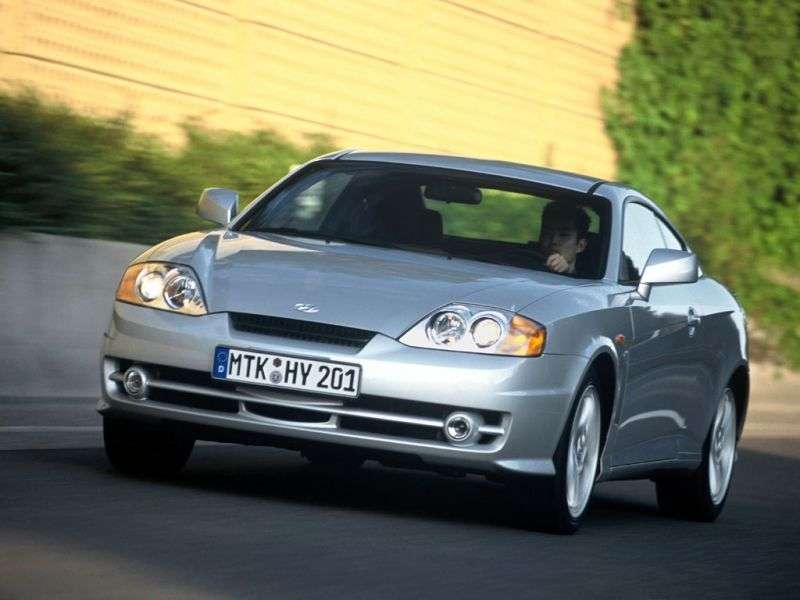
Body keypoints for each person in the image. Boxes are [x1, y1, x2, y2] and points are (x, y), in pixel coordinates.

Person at [538, 201, 590, 274]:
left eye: (563, 235)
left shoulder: (584, 282)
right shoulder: (525, 263)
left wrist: (567, 272)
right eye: (547, 233)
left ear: (580, 246)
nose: (553, 240)